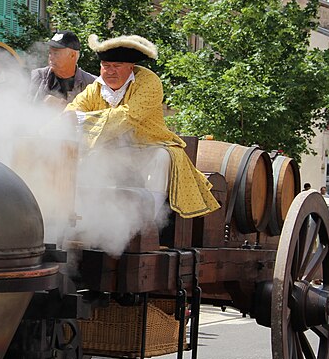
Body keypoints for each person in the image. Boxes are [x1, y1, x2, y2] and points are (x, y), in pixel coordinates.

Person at [65, 34, 219, 218]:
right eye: (106, 66)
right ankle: (90, 217)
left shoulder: (149, 81)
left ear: (131, 67)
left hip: (147, 148)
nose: (110, 71)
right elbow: (70, 114)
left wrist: (81, 120)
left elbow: (129, 116)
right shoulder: (94, 89)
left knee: (161, 158)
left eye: (117, 66)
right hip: (112, 151)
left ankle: (147, 222)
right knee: (87, 159)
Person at [29, 30, 95, 108]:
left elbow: (100, 116)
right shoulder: (36, 77)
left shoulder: (91, 84)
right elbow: (21, 109)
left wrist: (67, 108)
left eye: (56, 53)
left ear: (72, 55)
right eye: (50, 53)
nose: (51, 57)